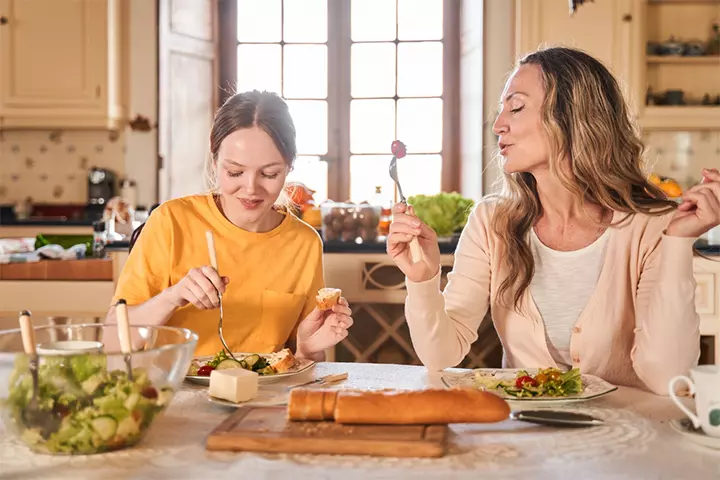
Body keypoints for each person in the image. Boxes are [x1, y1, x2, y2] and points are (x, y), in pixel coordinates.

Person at [387, 47, 720, 395]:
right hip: (527, 439)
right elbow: (440, 354)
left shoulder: (652, 227)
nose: (499, 125)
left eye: (516, 107)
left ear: (573, 117)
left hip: (628, 438)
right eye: (501, 111)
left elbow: (667, 378)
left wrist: (679, 243)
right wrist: (423, 281)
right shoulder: (492, 221)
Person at [107, 90, 353, 360]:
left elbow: (302, 363)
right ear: (214, 162)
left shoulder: (304, 243)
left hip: (265, 399)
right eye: (235, 172)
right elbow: (111, 342)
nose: (250, 188)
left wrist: (307, 348)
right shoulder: (170, 222)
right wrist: (172, 297)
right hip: (173, 394)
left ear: (289, 167)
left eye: (269, 174)